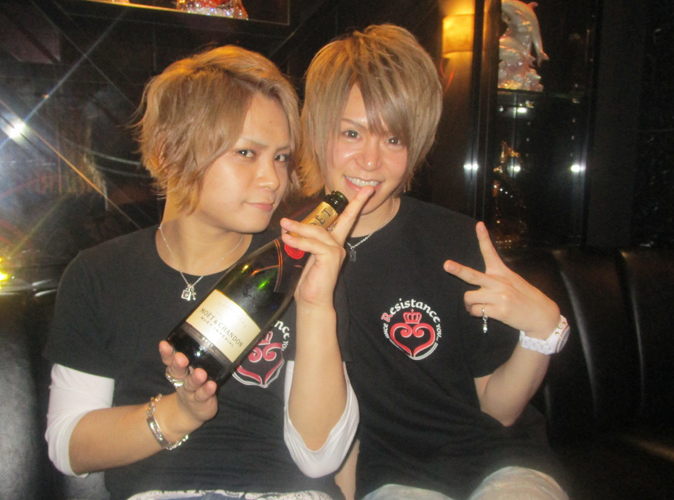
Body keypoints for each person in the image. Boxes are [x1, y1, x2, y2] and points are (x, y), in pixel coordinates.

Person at [45, 45, 372, 500]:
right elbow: (68, 445)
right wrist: (179, 413)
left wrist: (316, 306)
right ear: (168, 152)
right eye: (246, 153)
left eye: (280, 157)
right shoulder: (99, 274)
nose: (273, 179)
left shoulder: (302, 263)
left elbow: (320, 458)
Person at [299, 25, 570, 500]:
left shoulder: (456, 241)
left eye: (394, 140)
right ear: (318, 131)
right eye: (351, 132)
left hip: (501, 461)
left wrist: (542, 331)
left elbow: (499, 409)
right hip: (393, 476)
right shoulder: (289, 249)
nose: (370, 161)